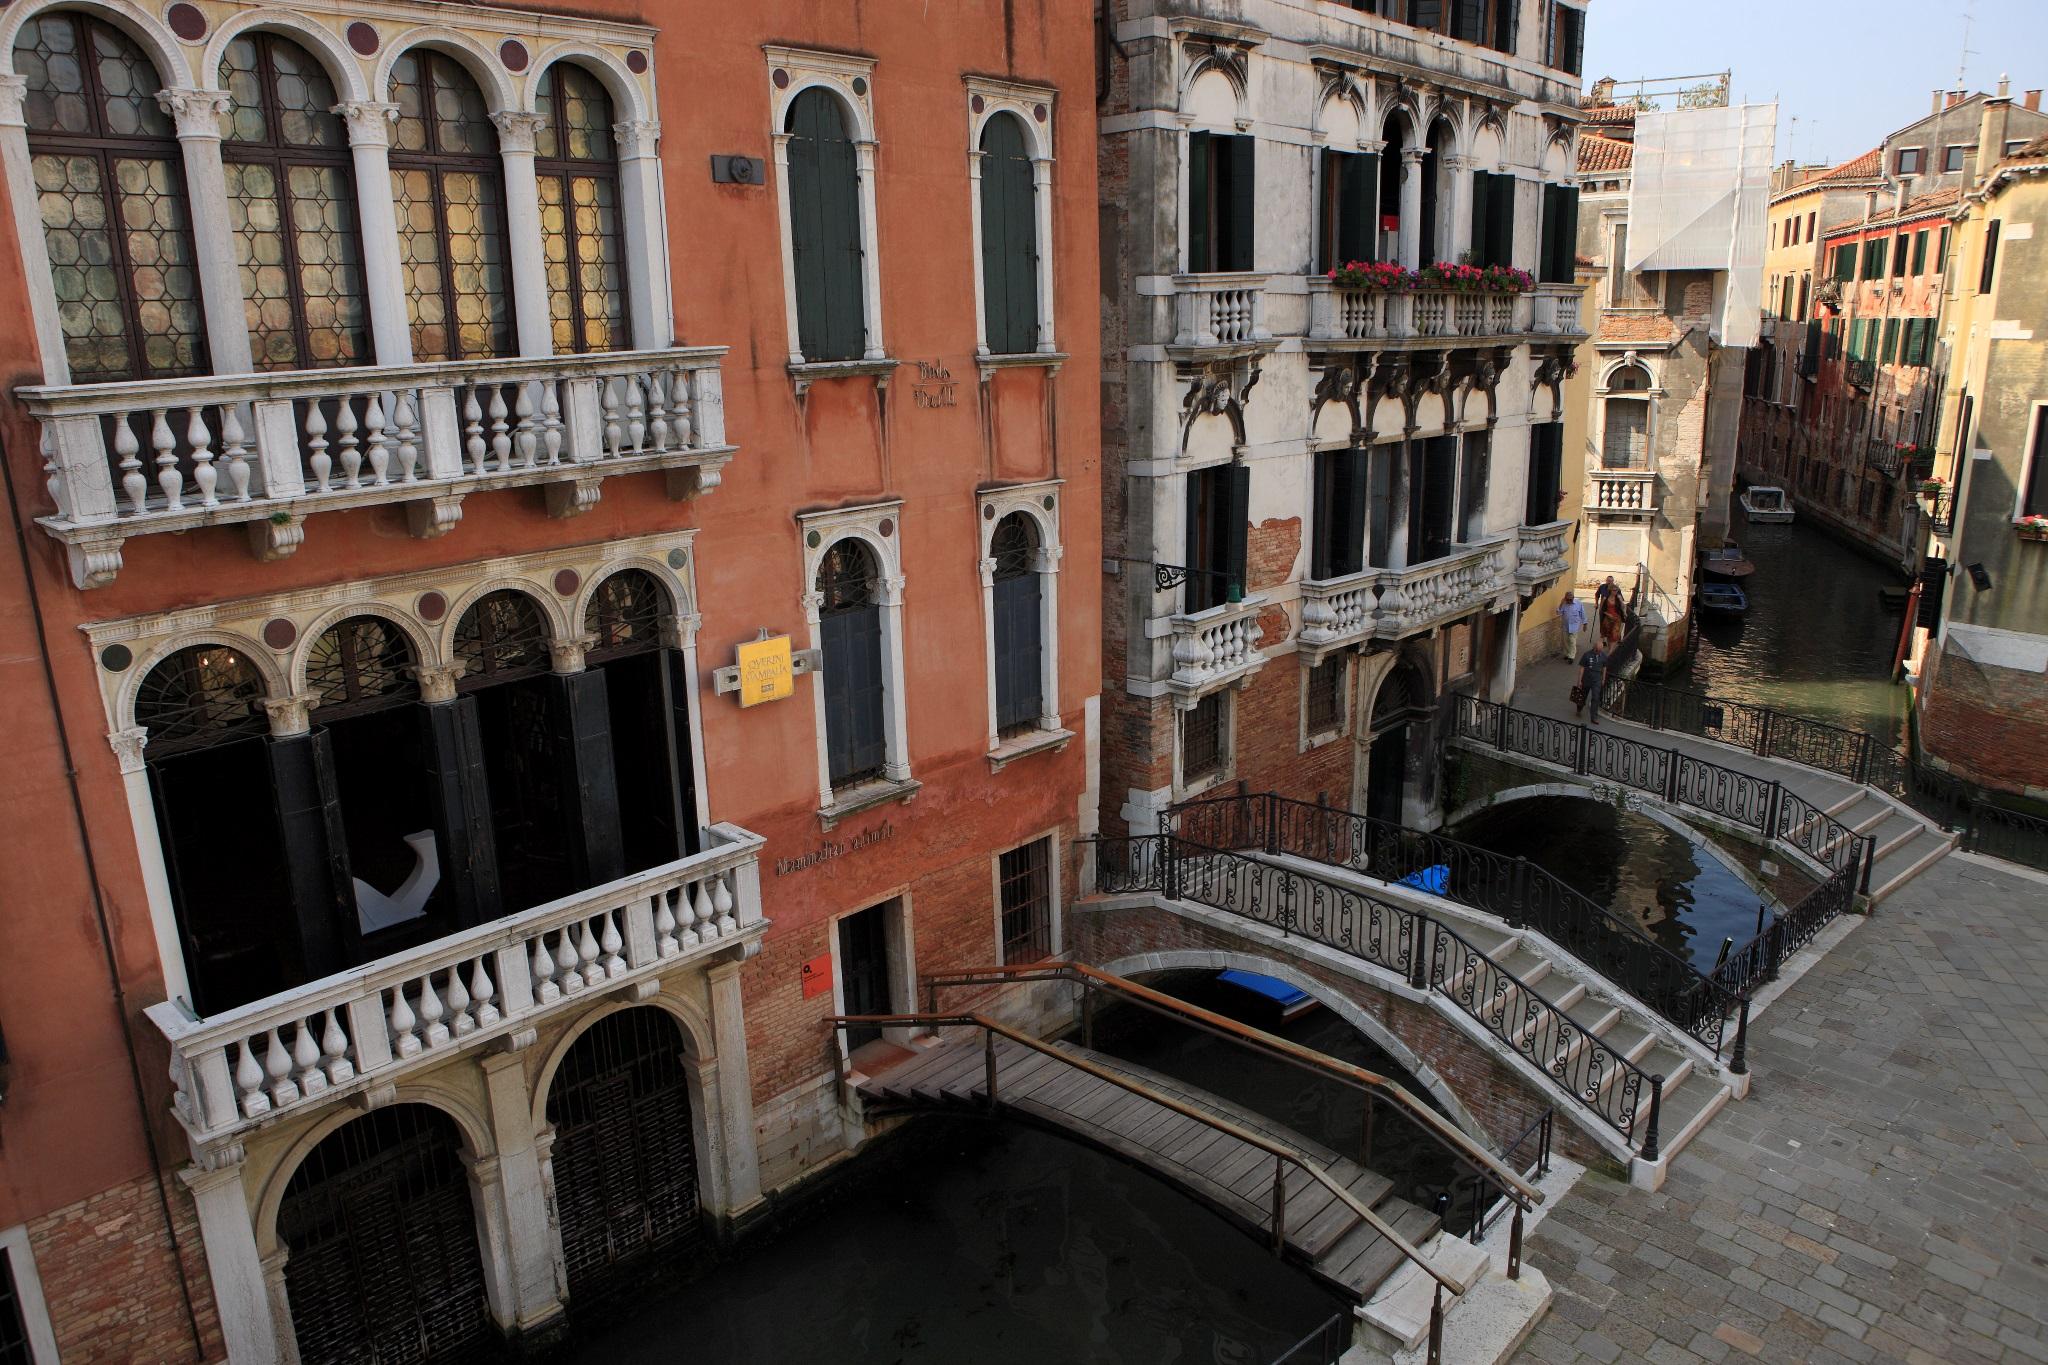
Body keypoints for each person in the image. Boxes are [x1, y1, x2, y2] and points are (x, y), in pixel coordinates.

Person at [1578, 644, 1608, 724]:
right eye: (1597, 650)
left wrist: (1603, 679)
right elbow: (1582, 668)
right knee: (1583, 696)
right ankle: (1579, 707)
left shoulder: (1603, 656)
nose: (1599, 652)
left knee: (1595, 697)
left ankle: (1593, 717)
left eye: (1600, 650)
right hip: (1587, 679)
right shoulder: (1586, 655)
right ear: (1594, 648)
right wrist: (1579, 680)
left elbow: (1605, 667)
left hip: (1597, 680)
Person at [1556, 591, 1587, 660]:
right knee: (1566, 641)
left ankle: (1571, 656)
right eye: (1568, 599)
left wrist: (1585, 624)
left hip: (1574, 627)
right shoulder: (1564, 604)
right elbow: (1558, 613)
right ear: (1565, 598)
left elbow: (1583, 613)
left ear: (1573, 597)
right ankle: (1567, 654)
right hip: (1565, 626)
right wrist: (1561, 603)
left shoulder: (1578, 603)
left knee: (1572, 641)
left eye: (1571, 599)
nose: (1569, 601)